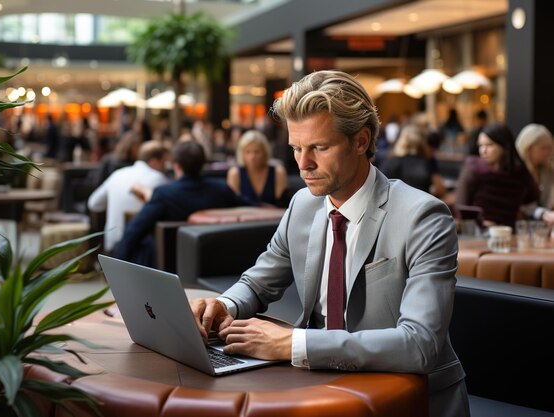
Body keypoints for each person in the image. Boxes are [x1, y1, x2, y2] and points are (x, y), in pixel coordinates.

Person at [190, 70, 469, 417]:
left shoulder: (422, 216)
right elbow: (257, 284)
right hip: (318, 392)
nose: (304, 164)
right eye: (296, 148)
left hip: (405, 400)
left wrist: (291, 343)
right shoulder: (302, 206)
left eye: (319, 148)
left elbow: (420, 344)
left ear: (361, 141)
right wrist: (225, 305)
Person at [114, 141, 251, 267]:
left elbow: (133, 231)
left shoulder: (164, 194)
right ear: (203, 163)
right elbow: (251, 208)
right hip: (219, 263)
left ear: (176, 165)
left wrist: (117, 266)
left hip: (173, 266)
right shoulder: (221, 189)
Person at [87, 141, 170, 254]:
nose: (166, 168)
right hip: (139, 251)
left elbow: (93, 203)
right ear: (155, 162)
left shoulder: (117, 174)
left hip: (111, 247)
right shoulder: (159, 179)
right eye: (164, 163)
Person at [454, 122, 539, 228]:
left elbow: (531, 203)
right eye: (480, 145)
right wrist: (482, 223)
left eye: (489, 145)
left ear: (504, 146)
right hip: (477, 233)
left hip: (509, 234)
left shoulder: (520, 172)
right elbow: (461, 208)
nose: (483, 151)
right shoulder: (473, 168)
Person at [379, 123, 446, 198]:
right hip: (422, 206)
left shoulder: (389, 161)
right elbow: (440, 189)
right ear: (422, 142)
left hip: (394, 207)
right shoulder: (426, 161)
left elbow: (380, 190)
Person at [226, 129, 288, 207]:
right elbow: (233, 204)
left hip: (274, 218)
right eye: (248, 152)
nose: (252, 156)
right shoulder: (235, 174)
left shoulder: (278, 172)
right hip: (244, 218)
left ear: (265, 152)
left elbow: (282, 205)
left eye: (257, 152)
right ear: (242, 154)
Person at [515, 123, 554, 224]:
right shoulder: (516, 171)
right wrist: (542, 213)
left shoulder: (549, 170)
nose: (549, 152)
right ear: (528, 148)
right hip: (521, 228)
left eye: (550, 148)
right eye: (543, 148)